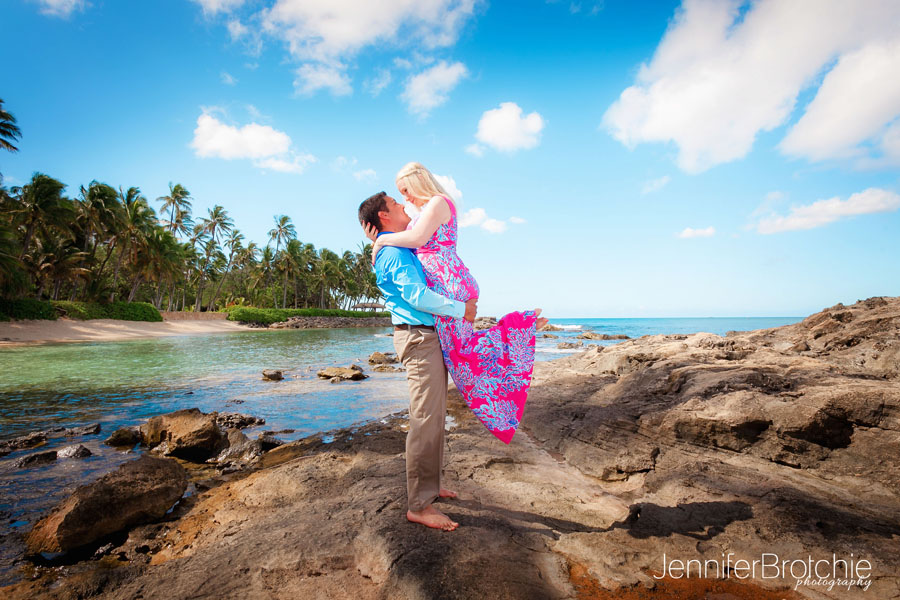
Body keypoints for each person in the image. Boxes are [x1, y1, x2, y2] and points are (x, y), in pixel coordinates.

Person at [365, 162, 548, 445]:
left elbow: (417, 239)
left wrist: (379, 241)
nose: (405, 198)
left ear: (418, 180)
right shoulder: (424, 213)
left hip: (449, 286)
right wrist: (381, 238)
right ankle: (521, 328)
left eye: (405, 190)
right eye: (399, 195)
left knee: (465, 353)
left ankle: (520, 326)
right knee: (464, 353)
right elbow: (408, 245)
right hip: (447, 292)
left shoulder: (438, 202)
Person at [358, 191, 477, 532]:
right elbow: (417, 295)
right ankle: (419, 506)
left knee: (435, 416)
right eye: (396, 205)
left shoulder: (396, 246)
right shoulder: (394, 252)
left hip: (427, 336)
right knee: (424, 418)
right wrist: (462, 310)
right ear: (384, 216)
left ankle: (431, 485)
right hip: (418, 337)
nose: (404, 206)